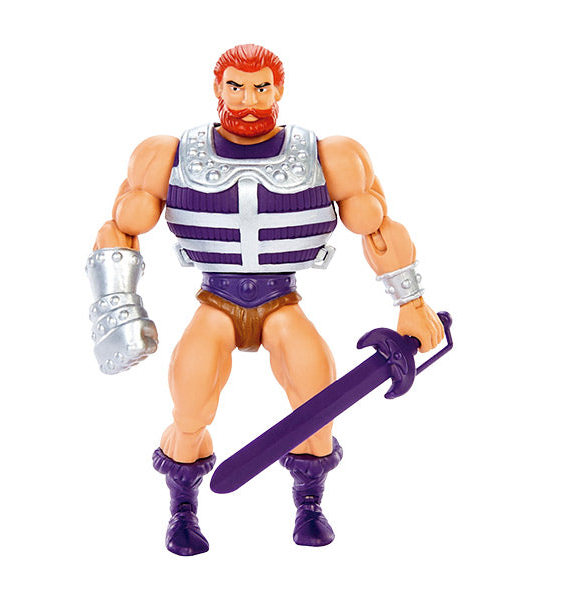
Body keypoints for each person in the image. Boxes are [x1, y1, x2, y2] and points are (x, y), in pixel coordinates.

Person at [86, 44, 444, 556]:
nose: (249, 100)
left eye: (261, 88)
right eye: (236, 87)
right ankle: (182, 507)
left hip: (281, 301)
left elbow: (378, 227)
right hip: (216, 300)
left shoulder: (330, 154)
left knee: (316, 405)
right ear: (218, 88)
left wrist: (412, 303)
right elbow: (120, 227)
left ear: (279, 90)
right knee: (190, 409)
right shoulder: (167, 154)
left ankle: (309, 502)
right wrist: (118, 308)